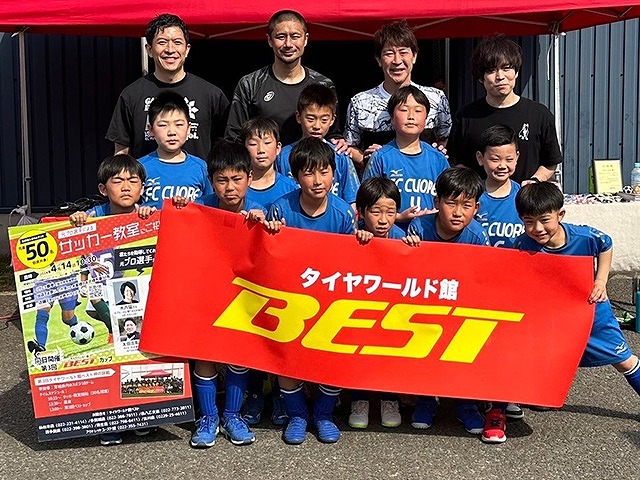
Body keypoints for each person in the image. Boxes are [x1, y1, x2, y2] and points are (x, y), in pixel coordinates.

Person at [174, 140, 265, 448]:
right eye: (222, 180)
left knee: (238, 355)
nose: (230, 187)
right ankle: (208, 417)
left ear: (249, 178)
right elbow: (173, 228)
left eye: (237, 179)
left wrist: (268, 225)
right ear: (211, 181)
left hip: (244, 296)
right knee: (205, 356)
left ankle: (233, 416)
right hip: (205, 294)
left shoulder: (260, 210)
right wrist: (179, 210)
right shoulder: (198, 209)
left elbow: (278, 247)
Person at [264, 137, 355, 444]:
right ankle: (298, 415)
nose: (318, 181)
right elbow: (268, 255)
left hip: (330, 299)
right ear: (295, 176)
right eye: (309, 173)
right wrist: (270, 232)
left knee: (332, 359)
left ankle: (324, 414)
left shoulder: (343, 213)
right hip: (291, 297)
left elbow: (352, 263)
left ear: (334, 174)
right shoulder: (281, 208)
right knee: (287, 357)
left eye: (324, 172)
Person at [67, 154, 155, 446]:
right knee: (110, 355)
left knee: (136, 353)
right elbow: (74, 249)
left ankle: (140, 414)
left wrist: (152, 217)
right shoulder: (92, 218)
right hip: (101, 295)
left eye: (133, 181)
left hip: (137, 298)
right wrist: (76, 221)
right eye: (117, 181)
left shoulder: (148, 217)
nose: (126, 187)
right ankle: (109, 417)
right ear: (103, 189)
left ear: (142, 187)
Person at [404, 166, 490, 437]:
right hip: (427, 304)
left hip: (463, 305)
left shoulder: (477, 236)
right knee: (424, 347)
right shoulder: (420, 227)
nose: (457, 212)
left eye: (466, 205)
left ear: (476, 208)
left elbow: (482, 280)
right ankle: (426, 399)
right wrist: (408, 249)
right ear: (436, 202)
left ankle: (466, 403)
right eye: (451, 203)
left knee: (464, 349)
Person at [106, 13, 229, 160]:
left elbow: (227, 149)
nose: (170, 49)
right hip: (146, 175)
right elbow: (121, 153)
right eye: (162, 42)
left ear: (187, 49)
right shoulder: (131, 95)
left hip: (199, 175)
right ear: (149, 50)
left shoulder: (211, 95)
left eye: (177, 42)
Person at [448, 35, 562, 184]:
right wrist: (472, 186)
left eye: (506, 68)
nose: (500, 76)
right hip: (479, 197)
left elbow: (550, 162)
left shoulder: (539, 114)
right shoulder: (465, 116)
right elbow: (455, 161)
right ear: (481, 78)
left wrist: (534, 181)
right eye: (491, 70)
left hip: (524, 197)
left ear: (516, 72)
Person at [341, 20, 452, 168]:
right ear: (378, 60)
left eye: (403, 52)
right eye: (389, 53)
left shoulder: (436, 98)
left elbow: (444, 137)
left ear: (414, 56)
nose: (397, 60)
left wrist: (437, 153)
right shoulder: (360, 102)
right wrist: (367, 160)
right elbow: (350, 145)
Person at [473, 125, 526, 431]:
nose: (502, 165)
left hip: (514, 286)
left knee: (510, 342)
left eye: (508, 158)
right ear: (481, 159)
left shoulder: (524, 196)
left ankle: (507, 394)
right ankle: (483, 393)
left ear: (517, 158)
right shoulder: (472, 195)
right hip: (478, 284)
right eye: (494, 159)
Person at [225, 10, 338, 146]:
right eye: (281, 37)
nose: (288, 44)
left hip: (310, 159)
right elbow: (234, 138)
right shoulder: (250, 84)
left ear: (305, 39)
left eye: (295, 36)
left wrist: (340, 142)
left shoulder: (324, 85)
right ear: (269, 40)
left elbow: (334, 136)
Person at [347, 177, 404, 429]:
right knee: (357, 350)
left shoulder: (403, 238)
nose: (383, 220)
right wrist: (356, 242)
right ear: (361, 212)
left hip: (392, 309)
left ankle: (390, 399)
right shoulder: (352, 235)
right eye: (376, 212)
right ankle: (358, 399)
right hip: (359, 307)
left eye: (390, 212)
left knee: (390, 350)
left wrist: (412, 248)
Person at [362, 85, 450, 231]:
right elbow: (365, 202)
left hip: (429, 233)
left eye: (418, 111)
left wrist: (437, 214)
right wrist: (398, 216)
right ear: (391, 118)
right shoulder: (380, 157)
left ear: (426, 119)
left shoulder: (438, 159)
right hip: (392, 233)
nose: (411, 116)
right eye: (403, 110)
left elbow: (450, 199)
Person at [277, 84, 360, 208]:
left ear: (332, 120)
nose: (317, 126)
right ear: (299, 117)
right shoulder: (283, 156)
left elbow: (352, 200)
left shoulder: (340, 155)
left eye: (324, 120)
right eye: (310, 119)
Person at [138, 91, 213, 209]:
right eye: (163, 125)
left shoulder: (200, 167)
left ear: (189, 128)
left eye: (179, 124)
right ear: (150, 130)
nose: (172, 132)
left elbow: (210, 205)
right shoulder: (139, 167)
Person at [241, 117, 298, 210]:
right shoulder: (236, 188)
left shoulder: (291, 188)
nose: (261, 150)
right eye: (253, 144)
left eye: (267, 143)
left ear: (278, 148)